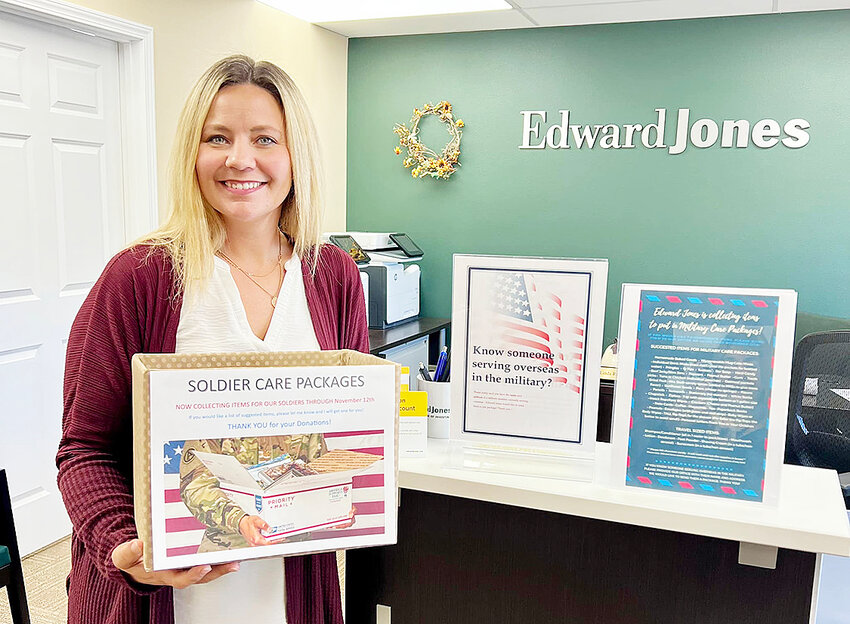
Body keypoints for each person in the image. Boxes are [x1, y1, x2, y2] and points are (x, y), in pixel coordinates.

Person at [56, 55, 367, 624]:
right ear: (192, 154)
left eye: (265, 138)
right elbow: (84, 449)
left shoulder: (334, 276)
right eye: (217, 137)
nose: (239, 159)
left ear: (296, 155)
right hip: (166, 597)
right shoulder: (140, 277)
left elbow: (338, 431)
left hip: (288, 586)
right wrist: (125, 546)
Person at [179, 434, 327, 552]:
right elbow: (196, 487)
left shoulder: (302, 411)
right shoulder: (212, 415)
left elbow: (321, 474)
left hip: (298, 551)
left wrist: (331, 507)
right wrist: (239, 520)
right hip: (229, 550)